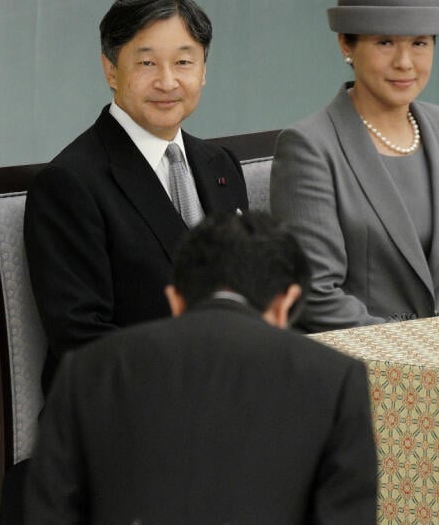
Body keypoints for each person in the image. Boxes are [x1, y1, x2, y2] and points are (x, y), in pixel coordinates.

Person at [24, 212, 378, 524]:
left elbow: (50, 512)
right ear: (285, 303)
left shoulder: (85, 370)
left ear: (176, 300)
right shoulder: (336, 379)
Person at [24, 0, 249, 392]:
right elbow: (82, 342)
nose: (167, 81)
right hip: (121, 413)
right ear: (111, 69)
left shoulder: (222, 166)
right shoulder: (69, 184)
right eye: (147, 63)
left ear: (203, 70)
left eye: (183, 62)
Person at [270, 0, 439, 333]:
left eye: (419, 42)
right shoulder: (309, 146)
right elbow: (316, 296)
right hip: (363, 369)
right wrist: (420, 356)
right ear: (346, 44)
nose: (404, 63)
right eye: (385, 43)